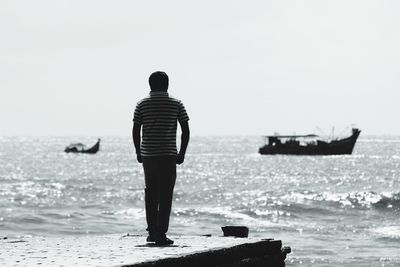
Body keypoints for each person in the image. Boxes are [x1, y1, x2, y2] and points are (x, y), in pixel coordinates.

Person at [132, 71, 190, 245]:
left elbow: (135, 130)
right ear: (167, 84)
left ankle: (151, 232)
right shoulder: (176, 104)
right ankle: (161, 234)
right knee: (165, 194)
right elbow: (185, 131)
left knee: (151, 193)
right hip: (168, 155)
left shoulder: (141, 104)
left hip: (149, 155)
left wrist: (138, 151)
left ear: (150, 85)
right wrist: (182, 153)